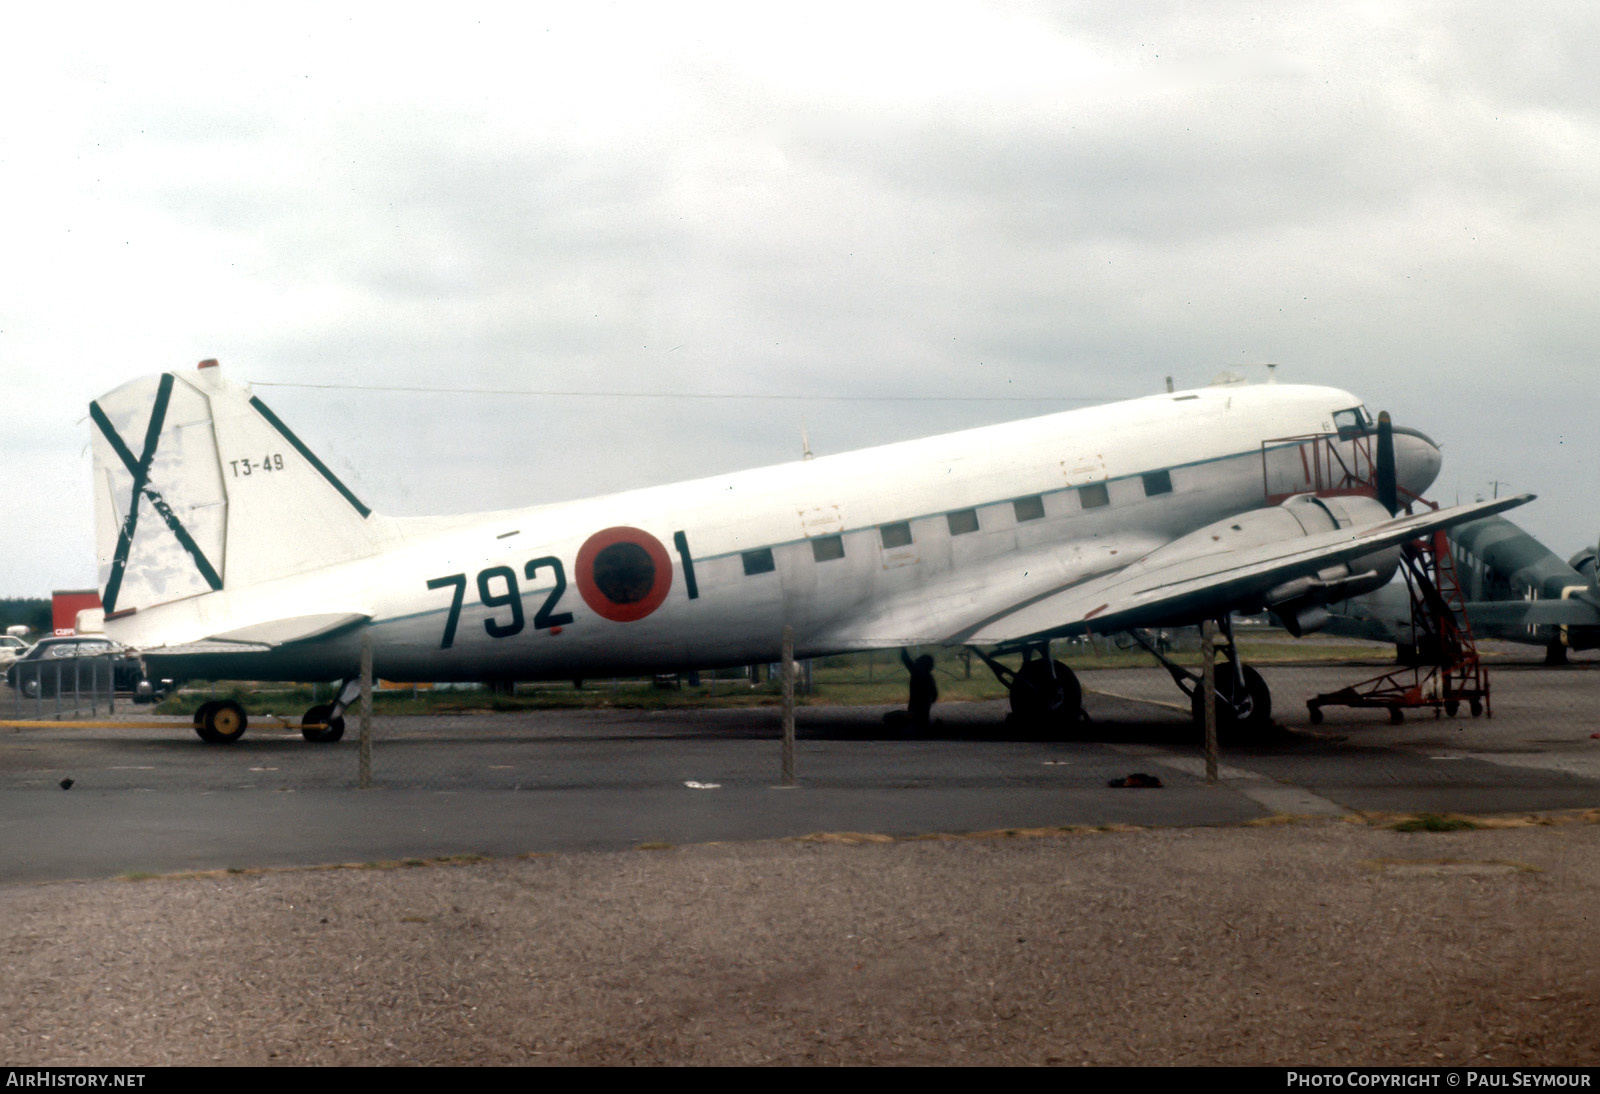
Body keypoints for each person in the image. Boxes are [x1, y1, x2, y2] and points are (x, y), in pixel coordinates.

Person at [900, 647, 938, 731]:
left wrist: (903, 648)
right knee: (922, 718)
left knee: (915, 718)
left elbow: (906, 660)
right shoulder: (928, 677)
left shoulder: (916, 672)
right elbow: (934, 693)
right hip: (925, 704)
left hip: (915, 704)